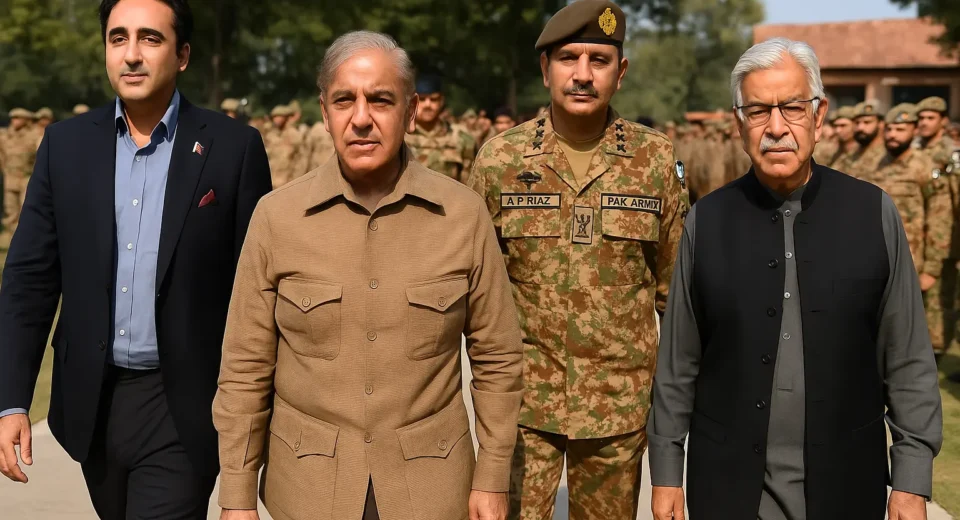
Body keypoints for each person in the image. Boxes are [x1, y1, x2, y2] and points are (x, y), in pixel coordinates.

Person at [212, 30, 523, 520]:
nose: (361, 119)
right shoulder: (277, 218)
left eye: (381, 100)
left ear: (412, 110)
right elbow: (245, 368)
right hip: (307, 490)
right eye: (344, 101)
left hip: (431, 489)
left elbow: (498, 358)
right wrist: (237, 494)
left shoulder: (463, 216)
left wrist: (492, 475)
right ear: (325, 111)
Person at [648, 37, 942, 520]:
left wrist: (911, 479)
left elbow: (907, 358)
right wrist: (665, 470)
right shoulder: (707, 221)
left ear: (820, 115)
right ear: (739, 123)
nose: (777, 127)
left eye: (793, 107)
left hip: (847, 484)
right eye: (759, 111)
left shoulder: (873, 213)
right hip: (727, 487)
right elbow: (678, 363)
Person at [0, 1, 273, 518]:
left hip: (183, 406)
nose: (131, 55)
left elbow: (258, 294)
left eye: (150, 39)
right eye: (117, 38)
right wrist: (12, 400)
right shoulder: (65, 145)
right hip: (91, 405)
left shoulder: (234, 149)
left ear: (183, 54)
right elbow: (30, 280)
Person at [469, 2, 688, 518]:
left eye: (599, 60)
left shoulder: (653, 159)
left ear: (621, 71)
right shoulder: (501, 159)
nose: (583, 75)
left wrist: (673, 421)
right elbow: (474, 294)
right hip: (522, 406)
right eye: (568, 58)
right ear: (546, 69)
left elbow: (674, 295)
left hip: (619, 406)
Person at [914, 96, 959, 363]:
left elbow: (951, 201)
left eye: (930, 118)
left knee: (940, 304)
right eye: (921, 118)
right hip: (922, 237)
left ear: (943, 121)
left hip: (946, 238)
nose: (924, 123)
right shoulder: (919, 150)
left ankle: (937, 356)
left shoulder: (950, 154)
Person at [404, 73, 477, 183]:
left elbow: (470, 185)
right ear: (413, 102)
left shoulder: (462, 139)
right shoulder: (399, 137)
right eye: (422, 99)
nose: (428, 105)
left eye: (434, 99)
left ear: (441, 101)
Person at [0, 108, 38, 238]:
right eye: (13, 118)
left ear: (26, 120)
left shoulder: (34, 135)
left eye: (18, 118)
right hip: (10, 177)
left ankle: (27, 237)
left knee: (26, 208)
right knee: (10, 209)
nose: (14, 121)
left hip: (27, 177)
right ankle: (12, 237)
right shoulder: (5, 135)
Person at [263, 104, 306, 188]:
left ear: (286, 118)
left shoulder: (295, 135)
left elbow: (302, 161)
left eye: (279, 116)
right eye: (274, 117)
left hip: (289, 183)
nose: (276, 119)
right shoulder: (270, 136)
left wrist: (296, 182)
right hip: (272, 183)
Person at [847, 99, 886, 179]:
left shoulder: (887, 156)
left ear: (881, 124)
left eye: (867, 122)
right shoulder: (852, 154)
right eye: (857, 123)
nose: (860, 128)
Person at [824, 105, 857, 170]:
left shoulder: (861, 153)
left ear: (855, 125)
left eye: (843, 125)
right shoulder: (834, 152)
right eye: (835, 126)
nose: (837, 130)